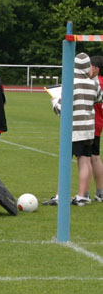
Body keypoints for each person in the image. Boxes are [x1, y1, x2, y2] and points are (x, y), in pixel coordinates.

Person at [43, 52, 103, 206]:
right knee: (84, 161)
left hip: (73, 130)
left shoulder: (70, 82)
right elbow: (98, 99)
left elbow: (61, 109)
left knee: (65, 162)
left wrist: (54, 101)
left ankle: (60, 196)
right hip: (88, 129)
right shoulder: (93, 83)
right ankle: (82, 196)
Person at [88, 55, 103, 201]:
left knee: (87, 158)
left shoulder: (93, 83)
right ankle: (100, 192)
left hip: (89, 123)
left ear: (96, 68)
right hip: (98, 123)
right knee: (95, 157)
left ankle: (84, 194)